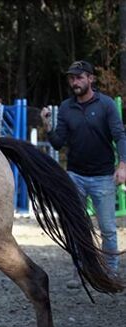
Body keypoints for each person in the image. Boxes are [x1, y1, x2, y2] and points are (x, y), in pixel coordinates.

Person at [41, 60, 126, 274]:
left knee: (107, 229)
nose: (75, 82)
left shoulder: (106, 105)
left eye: (79, 77)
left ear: (90, 78)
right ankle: (83, 269)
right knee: (76, 226)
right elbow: (58, 143)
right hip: (75, 176)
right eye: (72, 78)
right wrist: (47, 126)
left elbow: (119, 136)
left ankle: (111, 271)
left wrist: (123, 164)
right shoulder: (66, 107)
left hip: (103, 177)